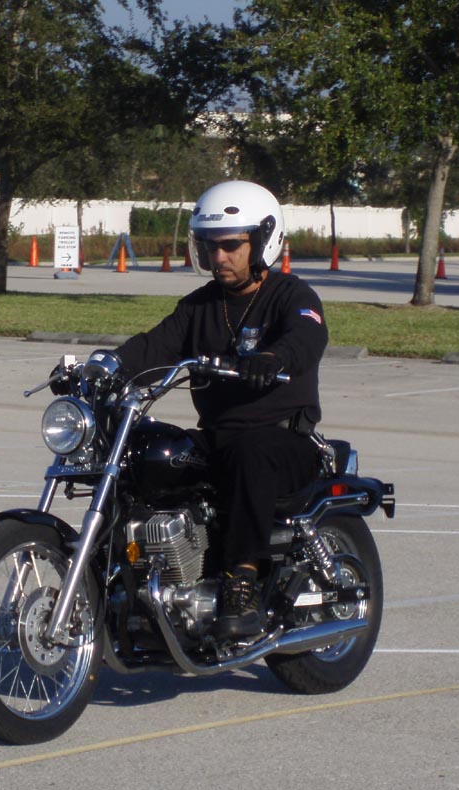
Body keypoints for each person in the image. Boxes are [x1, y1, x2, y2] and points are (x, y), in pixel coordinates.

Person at [113, 180, 328, 638]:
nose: (219, 256)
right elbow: (154, 346)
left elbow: (307, 336)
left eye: (231, 245)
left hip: (284, 438)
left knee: (251, 452)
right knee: (146, 452)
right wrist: (105, 367)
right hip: (217, 437)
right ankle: (130, 575)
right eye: (210, 246)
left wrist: (274, 359)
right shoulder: (199, 306)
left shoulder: (292, 296)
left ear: (263, 241)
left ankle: (241, 581)